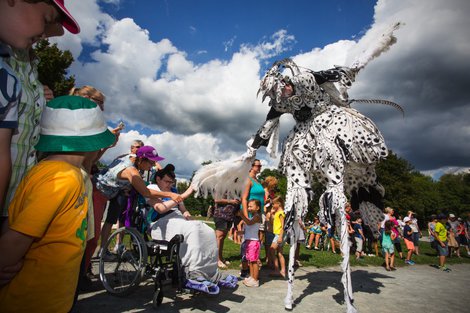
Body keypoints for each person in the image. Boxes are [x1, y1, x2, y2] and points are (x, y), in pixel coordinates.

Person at [0, 95, 114, 312]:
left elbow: (12, 221)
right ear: (92, 143)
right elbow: (17, 237)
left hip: (52, 297)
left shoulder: (63, 172)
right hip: (33, 300)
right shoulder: (61, 178)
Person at [0, 0, 80, 232]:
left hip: (15, 195)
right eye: (47, 21)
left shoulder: (26, 58)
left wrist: (40, 95)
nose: (45, 34)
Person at [94, 145, 183, 260]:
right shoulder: (131, 170)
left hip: (114, 192)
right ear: (141, 159)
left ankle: (102, 250)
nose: (152, 166)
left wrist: (124, 185)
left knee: (110, 220)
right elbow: (145, 192)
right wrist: (170, 194)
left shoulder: (130, 157)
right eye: (150, 163)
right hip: (98, 191)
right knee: (93, 230)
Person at [147, 165, 223, 283]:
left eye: (172, 182)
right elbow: (160, 209)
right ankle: (192, 271)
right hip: (160, 222)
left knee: (208, 230)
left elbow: (183, 210)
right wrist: (185, 194)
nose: (170, 185)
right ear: (158, 179)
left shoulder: (173, 191)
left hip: (178, 220)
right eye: (167, 181)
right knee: (192, 229)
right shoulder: (152, 188)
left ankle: (210, 271)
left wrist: (189, 216)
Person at [239, 199, 262, 287]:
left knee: (254, 261)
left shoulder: (257, 216)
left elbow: (249, 223)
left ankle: (255, 280)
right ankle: (252, 277)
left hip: (254, 242)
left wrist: (242, 216)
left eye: (251, 206)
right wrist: (242, 233)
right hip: (249, 241)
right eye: (248, 206)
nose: (248, 208)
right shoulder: (253, 217)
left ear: (257, 208)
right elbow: (250, 228)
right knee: (250, 261)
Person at [213, 197, 240, 269]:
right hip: (221, 215)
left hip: (230, 216)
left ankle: (220, 257)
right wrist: (230, 201)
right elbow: (216, 199)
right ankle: (217, 260)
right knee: (219, 237)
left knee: (222, 237)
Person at [270, 196, 286, 278]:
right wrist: (272, 214)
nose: (272, 205)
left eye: (273, 204)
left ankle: (277, 269)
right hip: (278, 234)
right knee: (279, 253)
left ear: (278, 204)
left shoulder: (281, 213)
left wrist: (280, 236)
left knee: (272, 250)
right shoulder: (277, 213)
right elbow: (273, 222)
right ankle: (282, 270)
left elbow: (283, 226)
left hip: (279, 234)